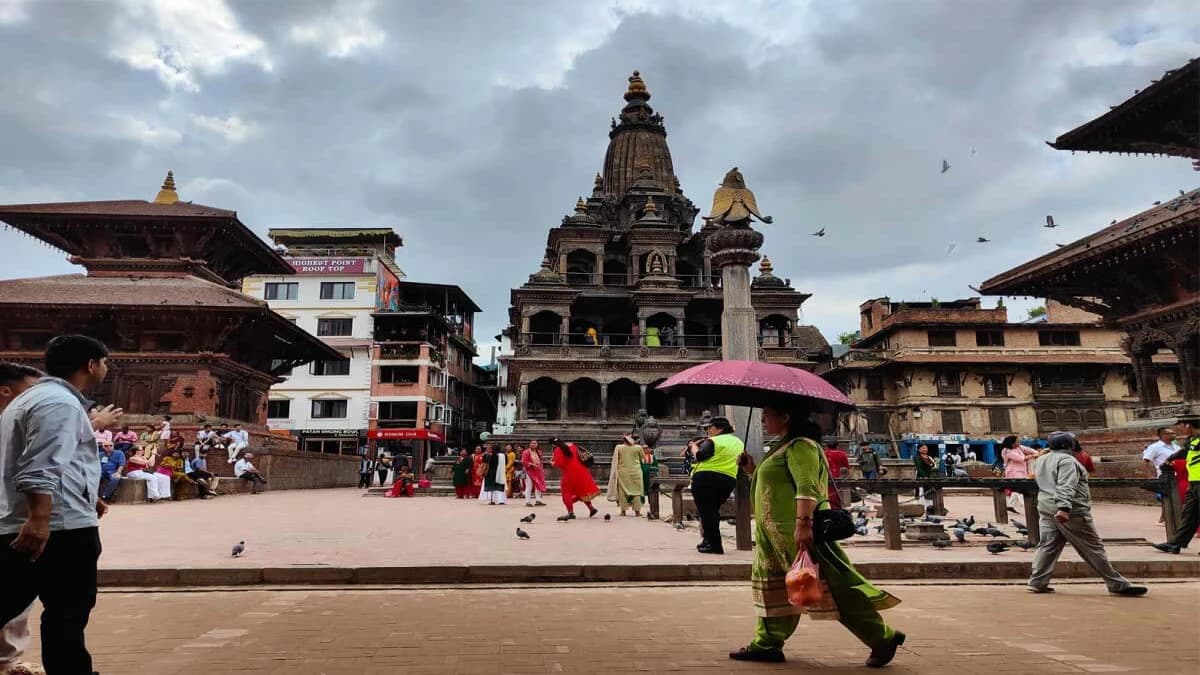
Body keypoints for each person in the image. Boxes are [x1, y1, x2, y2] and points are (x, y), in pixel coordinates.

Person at [730, 407, 903, 666]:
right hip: (775, 536)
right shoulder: (782, 446)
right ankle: (766, 643)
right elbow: (777, 485)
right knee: (775, 588)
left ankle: (882, 637)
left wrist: (803, 524)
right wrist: (752, 469)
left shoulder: (802, 447)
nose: (763, 420)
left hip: (799, 532)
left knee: (833, 588)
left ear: (786, 415)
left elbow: (807, 486)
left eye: (767, 415)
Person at [0, 335, 115, 674]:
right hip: (59, 530)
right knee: (67, 615)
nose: (106, 369)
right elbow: (40, 465)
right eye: (105, 362)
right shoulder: (59, 403)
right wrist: (40, 517)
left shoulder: (29, 399)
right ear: (91, 365)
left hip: (43, 519)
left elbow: (54, 460)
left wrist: (83, 493)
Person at [1028, 432, 1147, 596]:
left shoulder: (1042, 459)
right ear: (1069, 445)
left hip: (1046, 506)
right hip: (1071, 510)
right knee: (1093, 547)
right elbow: (1066, 485)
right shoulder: (1067, 461)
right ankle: (1116, 583)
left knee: (1048, 546)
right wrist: (1064, 508)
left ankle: (1037, 581)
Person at [690, 418, 743, 554]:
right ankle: (707, 541)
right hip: (728, 478)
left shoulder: (714, 441)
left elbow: (701, 456)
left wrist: (694, 448)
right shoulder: (739, 442)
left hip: (706, 478)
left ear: (719, 428)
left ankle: (715, 545)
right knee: (712, 511)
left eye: (709, 427)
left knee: (707, 512)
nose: (707, 431)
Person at [1153, 418, 1200, 555]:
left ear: (1189, 425)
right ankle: (1175, 544)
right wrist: (1169, 459)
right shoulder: (1193, 440)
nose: (1180, 429)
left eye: (1181, 426)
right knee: (1189, 515)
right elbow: (1183, 452)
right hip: (1194, 483)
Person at [552, 440, 600, 521]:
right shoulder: (575, 446)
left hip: (569, 472)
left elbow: (559, 463)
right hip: (582, 471)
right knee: (582, 491)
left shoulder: (558, 450)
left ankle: (570, 512)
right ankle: (591, 508)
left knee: (566, 492)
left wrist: (552, 463)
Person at [608, 434, 646, 517]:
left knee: (622, 491)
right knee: (636, 492)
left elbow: (616, 460)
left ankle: (623, 511)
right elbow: (644, 459)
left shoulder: (619, 447)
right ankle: (637, 512)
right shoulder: (638, 447)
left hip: (623, 472)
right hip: (636, 472)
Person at [1001, 435, 1041, 514]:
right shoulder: (1008, 451)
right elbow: (1020, 458)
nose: (1019, 443)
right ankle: (1028, 508)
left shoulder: (1019, 447)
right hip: (1013, 472)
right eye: (1017, 441)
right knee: (1021, 489)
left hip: (1021, 472)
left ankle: (1010, 505)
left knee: (1017, 490)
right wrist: (1033, 456)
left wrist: (1037, 453)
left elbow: (1029, 449)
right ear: (1012, 443)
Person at [823, 440, 850, 510]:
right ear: (837, 446)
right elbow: (846, 466)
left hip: (827, 477)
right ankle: (837, 509)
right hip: (839, 477)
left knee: (828, 494)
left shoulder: (824, 453)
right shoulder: (842, 454)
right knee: (838, 494)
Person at [98, 439, 127, 504]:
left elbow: (122, 464)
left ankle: (105, 496)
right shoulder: (100, 454)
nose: (108, 447)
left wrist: (118, 472)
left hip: (113, 471)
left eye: (110, 445)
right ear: (103, 447)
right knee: (92, 478)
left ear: (113, 446)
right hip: (101, 471)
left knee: (115, 478)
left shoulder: (119, 453)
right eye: (106, 446)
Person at [521, 440, 547, 507]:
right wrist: (531, 464)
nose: (534, 444)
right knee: (529, 486)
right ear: (529, 444)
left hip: (538, 471)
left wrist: (541, 469)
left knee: (538, 485)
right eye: (532, 443)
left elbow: (541, 461)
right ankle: (527, 501)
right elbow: (524, 461)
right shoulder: (526, 452)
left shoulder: (539, 452)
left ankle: (538, 500)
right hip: (529, 471)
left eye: (535, 443)